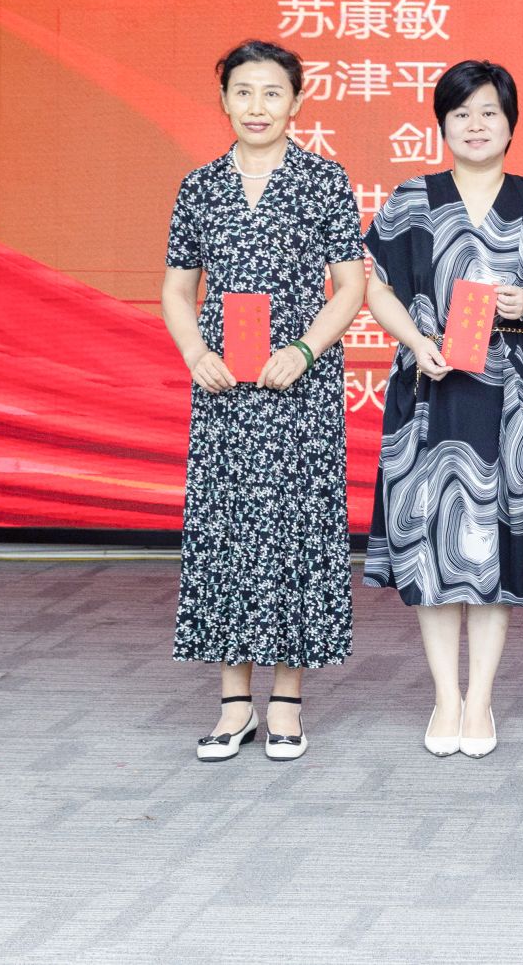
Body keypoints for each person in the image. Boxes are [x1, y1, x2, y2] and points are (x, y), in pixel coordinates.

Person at [362, 61, 523, 760]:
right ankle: (444, 697)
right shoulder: (410, 198)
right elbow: (376, 286)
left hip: (505, 394)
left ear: (511, 123)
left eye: (489, 112)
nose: (476, 125)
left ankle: (479, 698)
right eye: (461, 113)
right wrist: (413, 339)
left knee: (491, 544)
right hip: (426, 390)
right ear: (442, 124)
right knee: (430, 545)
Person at [159, 39, 367, 762]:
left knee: (294, 530)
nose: (257, 106)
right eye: (243, 91)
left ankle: (287, 699)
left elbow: (351, 286)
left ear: (297, 101)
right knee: (226, 532)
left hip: (298, 385)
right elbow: (177, 289)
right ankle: (232, 702)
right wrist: (197, 354)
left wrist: (304, 350)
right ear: (223, 100)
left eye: (272, 92)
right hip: (224, 386)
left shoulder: (323, 180)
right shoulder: (200, 186)